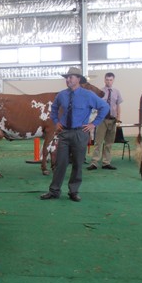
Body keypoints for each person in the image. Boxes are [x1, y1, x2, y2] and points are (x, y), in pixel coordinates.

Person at [40, 67, 109, 202]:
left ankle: (73, 191)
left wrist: (93, 124)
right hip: (64, 133)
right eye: (67, 77)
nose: (68, 80)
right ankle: (54, 191)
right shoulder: (61, 95)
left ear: (78, 79)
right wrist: (56, 122)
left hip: (80, 133)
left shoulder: (88, 95)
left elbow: (104, 107)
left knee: (77, 163)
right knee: (60, 163)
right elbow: (53, 109)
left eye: (71, 77)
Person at [87, 72, 123, 171]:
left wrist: (118, 118)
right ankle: (94, 162)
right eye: (107, 79)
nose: (109, 81)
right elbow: (95, 105)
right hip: (102, 120)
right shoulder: (100, 92)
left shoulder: (116, 92)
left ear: (113, 80)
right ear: (104, 80)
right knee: (98, 142)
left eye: (110, 80)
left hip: (112, 120)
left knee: (109, 142)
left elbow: (118, 106)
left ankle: (106, 162)